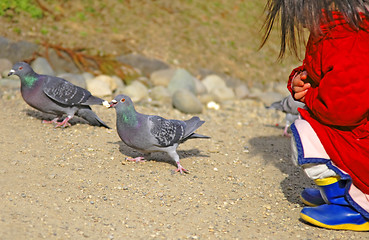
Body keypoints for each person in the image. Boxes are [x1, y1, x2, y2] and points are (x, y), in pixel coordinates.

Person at [261, 0, 369, 231]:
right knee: (309, 123)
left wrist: (309, 96)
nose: (298, 22)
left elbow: (343, 108)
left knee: (305, 133)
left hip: (361, 135)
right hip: (359, 129)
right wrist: (301, 78)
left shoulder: (350, 39)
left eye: (297, 12)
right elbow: (322, 69)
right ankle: (345, 189)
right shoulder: (335, 29)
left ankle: (356, 204)